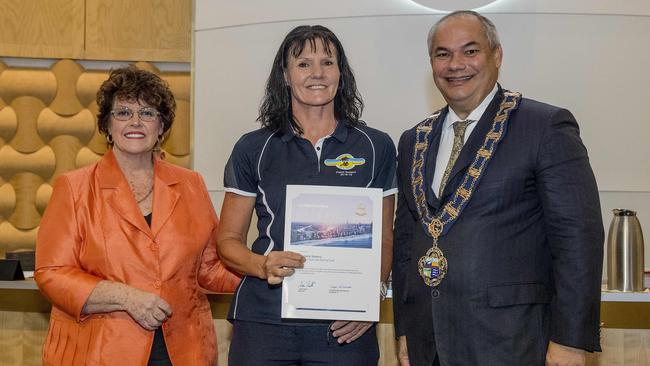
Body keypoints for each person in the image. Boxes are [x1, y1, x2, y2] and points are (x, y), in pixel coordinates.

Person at [392, 10, 603, 366]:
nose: (455, 64)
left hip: (512, 341)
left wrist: (570, 341)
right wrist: (404, 329)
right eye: (442, 54)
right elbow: (405, 242)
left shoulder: (545, 127)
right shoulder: (414, 140)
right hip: (428, 343)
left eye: (470, 51)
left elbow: (578, 238)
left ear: (497, 56)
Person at [34, 66, 240, 366]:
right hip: (100, 351)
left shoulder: (190, 184)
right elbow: (51, 272)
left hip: (183, 351)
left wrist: (262, 270)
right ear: (107, 124)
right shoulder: (74, 187)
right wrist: (125, 297)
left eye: (147, 113)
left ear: (161, 126)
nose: (135, 122)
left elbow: (209, 268)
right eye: (123, 113)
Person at [217, 25, 397, 365]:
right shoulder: (253, 147)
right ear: (285, 75)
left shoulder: (376, 146)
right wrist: (262, 264)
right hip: (264, 321)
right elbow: (227, 240)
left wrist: (370, 300)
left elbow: (384, 238)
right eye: (303, 64)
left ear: (340, 74)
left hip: (343, 325)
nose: (317, 73)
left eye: (327, 62)